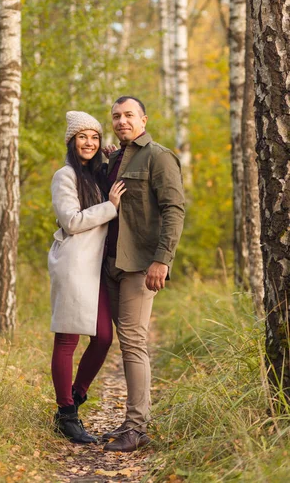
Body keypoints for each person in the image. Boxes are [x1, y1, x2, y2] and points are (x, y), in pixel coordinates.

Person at [101, 96, 185, 453]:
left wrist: (162, 260)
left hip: (140, 264)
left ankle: (136, 428)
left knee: (134, 343)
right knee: (126, 343)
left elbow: (174, 209)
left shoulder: (159, 156)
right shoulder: (117, 158)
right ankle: (134, 419)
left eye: (129, 115)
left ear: (144, 120)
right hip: (111, 264)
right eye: (117, 116)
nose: (122, 121)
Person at [48, 110, 126, 444]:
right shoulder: (64, 176)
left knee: (104, 337)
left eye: (94, 137)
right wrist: (110, 206)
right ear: (71, 141)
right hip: (73, 264)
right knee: (68, 340)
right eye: (82, 137)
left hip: (96, 268)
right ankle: (66, 415)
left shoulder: (97, 174)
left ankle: (76, 396)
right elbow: (71, 221)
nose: (89, 143)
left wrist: (113, 159)